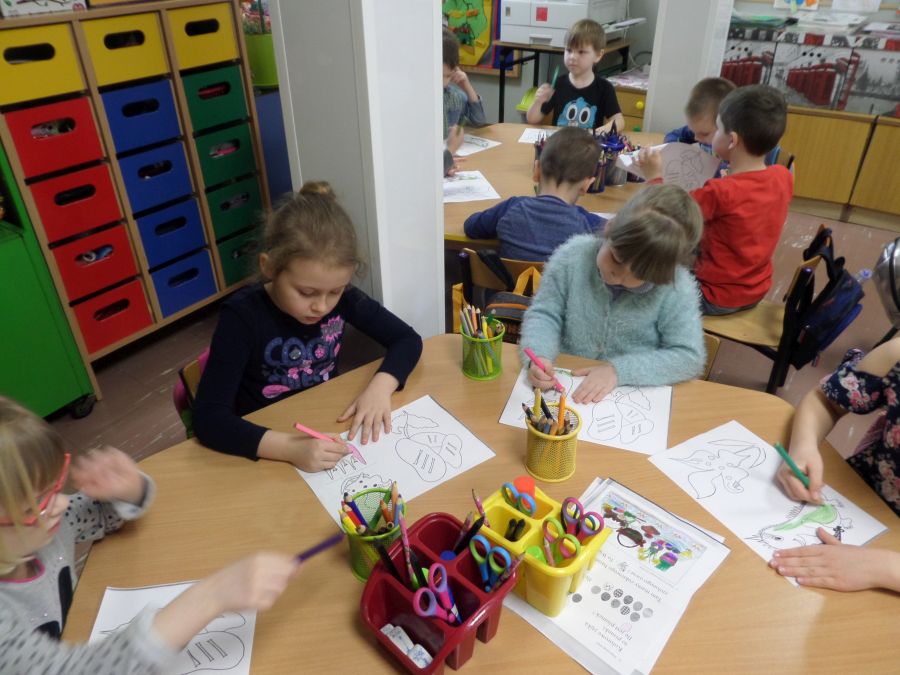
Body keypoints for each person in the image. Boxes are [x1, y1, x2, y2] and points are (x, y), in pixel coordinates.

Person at [0, 396, 298, 673]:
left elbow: (100, 514)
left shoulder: (47, 528)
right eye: (33, 505)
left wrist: (129, 490)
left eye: (55, 488)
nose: (63, 503)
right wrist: (211, 596)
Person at [193, 182, 423, 470]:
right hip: (267, 440)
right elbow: (208, 419)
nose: (322, 307)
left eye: (335, 291)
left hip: (324, 419)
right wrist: (290, 449)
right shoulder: (241, 317)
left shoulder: (345, 298)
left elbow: (407, 339)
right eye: (306, 293)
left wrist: (380, 388)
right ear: (269, 267)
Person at [520, 184, 705, 404]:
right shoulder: (572, 256)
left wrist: (619, 371)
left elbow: (688, 356)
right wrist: (539, 354)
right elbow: (545, 314)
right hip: (566, 375)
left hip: (630, 394)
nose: (619, 276)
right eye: (616, 258)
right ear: (610, 228)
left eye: (639, 275)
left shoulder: (676, 288)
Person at [636, 84, 792, 316]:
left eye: (717, 129)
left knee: (637, 277)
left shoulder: (721, 191)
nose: (712, 135)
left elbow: (664, 211)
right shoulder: (783, 177)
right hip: (755, 290)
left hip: (712, 295)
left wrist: (653, 177)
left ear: (732, 140)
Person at [770, 343, 900, 592]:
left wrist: (884, 568)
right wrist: (803, 447)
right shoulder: (897, 355)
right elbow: (826, 400)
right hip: (866, 503)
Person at [463, 127, 605, 261]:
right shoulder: (590, 225)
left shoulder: (511, 208)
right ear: (586, 185)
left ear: (536, 170)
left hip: (510, 280)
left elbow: (471, 227)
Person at [526, 19, 624, 133]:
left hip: (588, 143)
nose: (572, 57)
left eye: (581, 52)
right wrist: (538, 101)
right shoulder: (558, 83)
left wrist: (600, 131)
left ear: (598, 55)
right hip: (560, 141)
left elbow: (619, 121)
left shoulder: (604, 88)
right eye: (569, 50)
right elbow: (532, 119)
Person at [442, 27, 487, 176]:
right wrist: (450, 151)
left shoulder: (453, 96)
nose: (444, 83)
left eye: (448, 76)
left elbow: (479, 121)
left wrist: (466, 86)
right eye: (440, 76)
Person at [664, 77, 736, 149]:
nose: (696, 138)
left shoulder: (736, 150)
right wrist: (675, 147)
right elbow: (672, 135)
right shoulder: (701, 129)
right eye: (693, 132)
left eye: (705, 134)